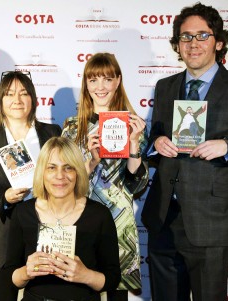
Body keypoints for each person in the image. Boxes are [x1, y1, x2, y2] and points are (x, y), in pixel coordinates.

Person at [141, 3, 228, 301]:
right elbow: (153, 143)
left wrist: (227, 146)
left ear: (219, 41)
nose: (193, 44)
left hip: (211, 224)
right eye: (186, 37)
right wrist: (156, 143)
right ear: (177, 45)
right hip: (163, 218)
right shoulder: (165, 87)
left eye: (202, 35)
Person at [0, 71, 62, 301]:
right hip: (6, 236)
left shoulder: (52, 133)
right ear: (1, 101)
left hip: (49, 234)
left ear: (33, 99)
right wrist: (3, 197)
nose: (17, 100)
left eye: (24, 93)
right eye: (9, 94)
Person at [62, 53, 148, 300]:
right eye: (93, 80)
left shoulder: (134, 125)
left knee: (116, 293)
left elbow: (137, 184)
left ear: (118, 81)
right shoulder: (71, 127)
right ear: (86, 84)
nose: (100, 87)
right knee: (79, 290)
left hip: (119, 222)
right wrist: (90, 162)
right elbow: (64, 182)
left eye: (107, 79)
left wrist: (133, 144)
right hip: (81, 217)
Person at [5, 137, 121, 301]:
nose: (60, 176)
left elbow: (112, 278)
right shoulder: (23, 212)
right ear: (42, 172)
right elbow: (11, 275)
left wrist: (85, 275)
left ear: (78, 173)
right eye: (52, 168)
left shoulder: (99, 215)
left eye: (68, 168)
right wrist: (26, 272)